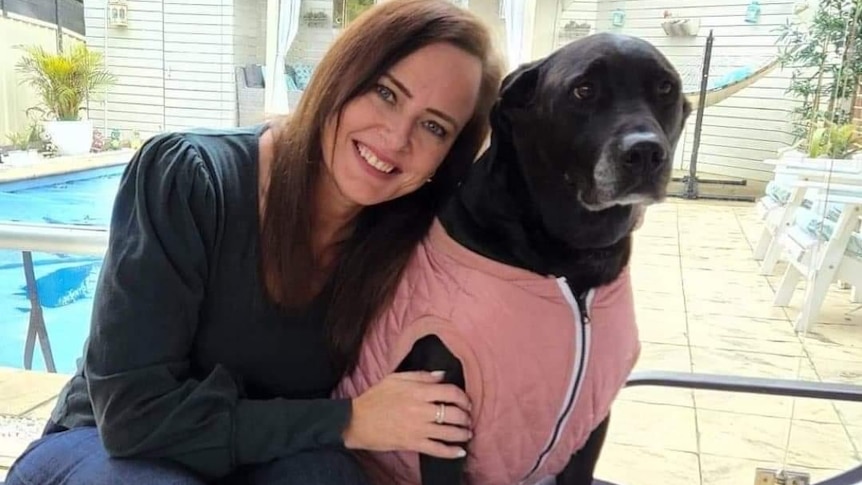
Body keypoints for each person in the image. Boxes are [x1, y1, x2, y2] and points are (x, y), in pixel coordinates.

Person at [5, 0, 504, 483]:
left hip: (260, 457)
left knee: (330, 476)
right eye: (386, 93)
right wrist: (349, 420)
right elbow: (131, 418)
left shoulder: (403, 246)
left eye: (434, 127)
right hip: (105, 448)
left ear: (448, 158)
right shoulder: (193, 179)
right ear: (342, 76)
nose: (397, 138)